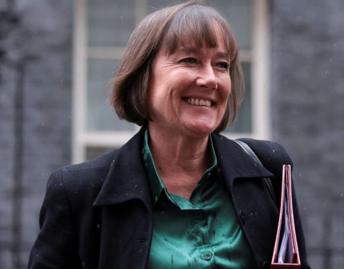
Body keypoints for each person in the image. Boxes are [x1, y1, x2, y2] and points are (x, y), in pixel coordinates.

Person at [28, 1, 309, 268]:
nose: (210, 79)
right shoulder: (77, 192)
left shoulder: (269, 171)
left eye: (221, 65)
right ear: (143, 78)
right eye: (189, 60)